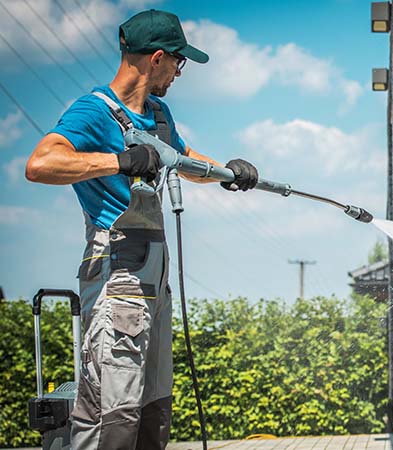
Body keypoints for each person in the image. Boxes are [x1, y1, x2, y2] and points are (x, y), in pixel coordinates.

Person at [25, 9, 258, 450]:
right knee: (113, 411)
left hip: (155, 275)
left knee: (153, 408)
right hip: (118, 275)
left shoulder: (159, 113)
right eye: (178, 62)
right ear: (156, 59)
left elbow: (184, 159)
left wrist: (228, 172)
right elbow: (40, 164)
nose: (178, 72)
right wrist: (117, 161)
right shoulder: (93, 113)